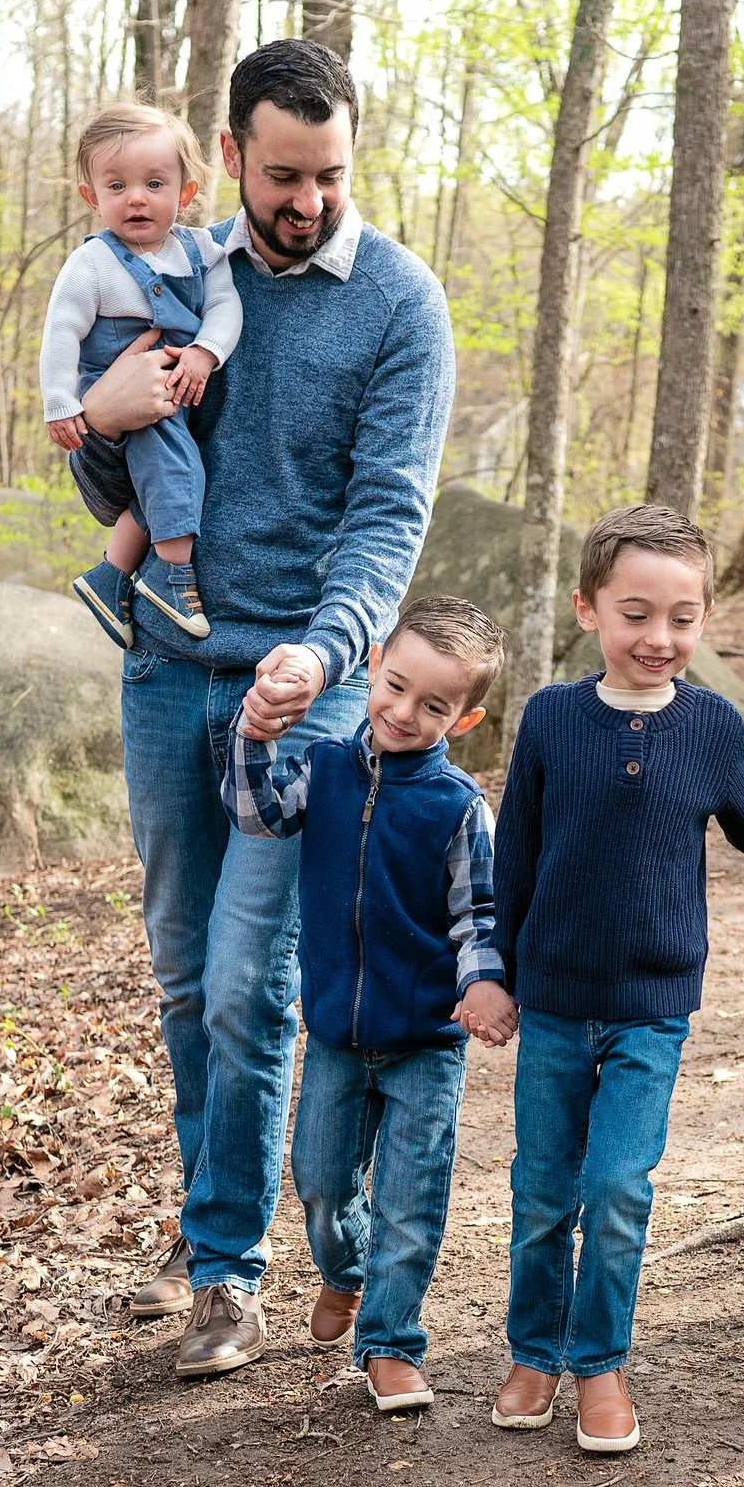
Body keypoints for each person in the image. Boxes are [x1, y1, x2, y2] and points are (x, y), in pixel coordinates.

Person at [73, 39, 458, 1380]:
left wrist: (325, 648)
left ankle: (229, 1269)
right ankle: (215, 1228)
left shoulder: (401, 303)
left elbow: (387, 512)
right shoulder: (169, 272)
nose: (308, 202)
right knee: (185, 976)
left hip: (310, 688)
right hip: (167, 670)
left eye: (332, 175)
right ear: (229, 159)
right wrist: (105, 418)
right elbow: (120, 492)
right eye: (284, 175)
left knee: (253, 985)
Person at [487, 506, 744, 1453]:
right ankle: (535, 1349)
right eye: (636, 614)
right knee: (541, 1190)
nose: (659, 638)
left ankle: (600, 1361)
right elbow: (514, 860)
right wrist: (494, 970)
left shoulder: (710, 727)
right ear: (587, 609)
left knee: (615, 1187)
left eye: (681, 619)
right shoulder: (551, 720)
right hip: (557, 1004)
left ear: (705, 616)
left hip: (651, 1008)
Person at [223, 595, 518, 1412]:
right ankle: (346, 1273)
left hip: (426, 1040)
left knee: (411, 1198)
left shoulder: (458, 807)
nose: (405, 712)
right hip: (338, 1039)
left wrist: (480, 984)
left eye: (435, 705)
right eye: (395, 687)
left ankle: (391, 1341)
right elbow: (257, 815)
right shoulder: (326, 766)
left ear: (465, 719)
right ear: (377, 662)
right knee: (318, 1181)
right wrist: (255, 736)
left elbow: (478, 916)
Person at [42, 102, 243, 646]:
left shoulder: (201, 250)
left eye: (154, 183)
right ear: (93, 197)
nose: (135, 197)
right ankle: (174, 576)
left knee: (159, 483)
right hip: (122, 380)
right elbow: (61, 329)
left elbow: (226, 307)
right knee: (177, 473)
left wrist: (206, 351)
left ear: (185, 192)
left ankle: (110, 577)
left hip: (177, 381)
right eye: (117, 186)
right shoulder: (94, 263)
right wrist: (62, 403)